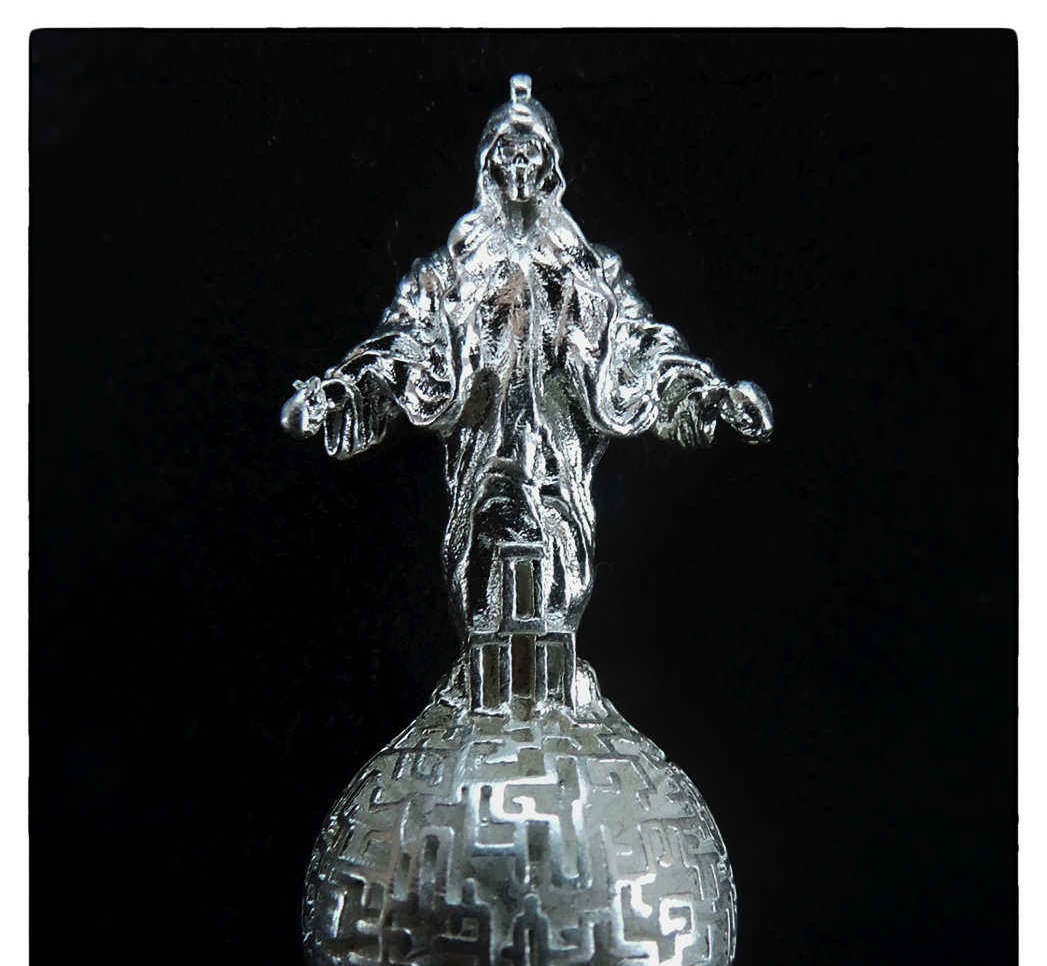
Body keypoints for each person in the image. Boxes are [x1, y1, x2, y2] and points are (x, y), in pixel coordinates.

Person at [282, 75, 772, 650]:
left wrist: (708, 396)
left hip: (559, 458)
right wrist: (341, 394)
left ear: (549, 164)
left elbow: (640, 343)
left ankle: (550, 688)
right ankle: (488, 682)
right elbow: (406, 338)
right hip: (488, 454)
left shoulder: (590, 270)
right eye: (507, 153)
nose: (519, 166)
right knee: (486, 567)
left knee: (562, 582)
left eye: (530, 153)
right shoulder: (455, 266)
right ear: (489, 163)